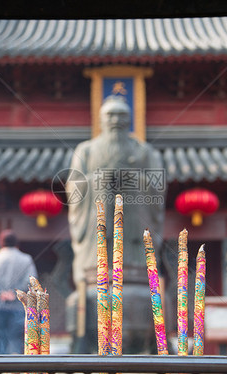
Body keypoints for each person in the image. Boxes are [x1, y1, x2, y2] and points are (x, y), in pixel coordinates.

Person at [65, 95, 166, 353]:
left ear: (130, 119)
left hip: (134, 241)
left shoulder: (145, 151)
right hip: (96, 247)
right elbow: (74, 188)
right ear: (100, 119)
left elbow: (157, 187)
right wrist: (101, 180)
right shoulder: (86, 150)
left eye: (121, 115)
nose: (115, 120)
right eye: (110, 115)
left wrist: (130, 179)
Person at [0, 229, 38, 354]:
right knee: (17, 341)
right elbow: (32, 280)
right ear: (17, 243)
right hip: (18, 307)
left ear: (0, 243)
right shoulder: (26, 259)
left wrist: (0, 293)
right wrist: (15, 293)